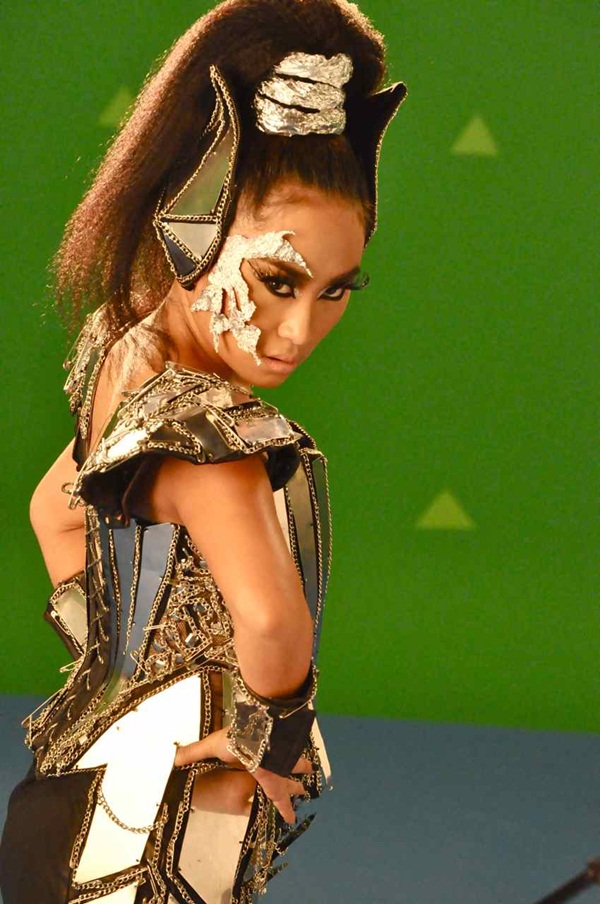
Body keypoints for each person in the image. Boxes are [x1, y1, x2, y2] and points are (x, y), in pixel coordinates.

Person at [0, 1, 406, 901]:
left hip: (87, 762)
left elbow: (52, 511)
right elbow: (275, 625)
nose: (298, 331)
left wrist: (119, 664)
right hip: (180, 806)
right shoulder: (212, 442)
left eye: (336, 291)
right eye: (277, 279)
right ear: (191, 229)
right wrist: (269, 741)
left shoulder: (121, 350)